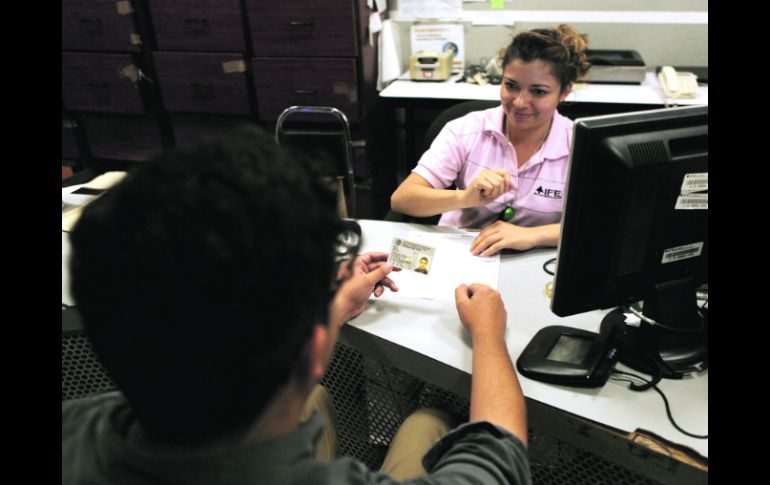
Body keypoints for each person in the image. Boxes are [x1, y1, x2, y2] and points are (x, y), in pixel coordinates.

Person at [62, 127, 531, 484]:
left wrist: (336, 300)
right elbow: (501, 449)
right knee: (429, 422)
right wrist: (488, 336)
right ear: (315, 350)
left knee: (319, 403)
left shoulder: (77, 428)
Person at [391, 24, 591, 257]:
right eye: (511, 86)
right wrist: (464, 197)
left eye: (538, 92)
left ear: (564, 92)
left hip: (532, 261)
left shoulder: (577, 145)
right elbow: (402, 200)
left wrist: (532, 235)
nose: (519, 102)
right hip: (463, 253)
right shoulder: (467, 130)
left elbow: (596, 224)